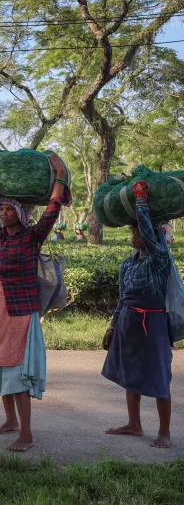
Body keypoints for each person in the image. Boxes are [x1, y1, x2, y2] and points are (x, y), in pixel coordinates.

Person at [0, 154, 68, 452]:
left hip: (20, 311)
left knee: (18, 372)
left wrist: (58, 174)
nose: (3, 213)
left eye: (8, 209)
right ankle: (10, 421)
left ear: (20, 214)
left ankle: (27, 433)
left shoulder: (33, 237)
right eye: (1, 209)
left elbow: (52, 210)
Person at [101, 180, 173, 448]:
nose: (133, 235)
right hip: (128, 322)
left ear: (153, 237)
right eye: (131, 231)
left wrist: (141, 202)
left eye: (138, 231)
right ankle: (134, 424)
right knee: (130, 372)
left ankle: (164, 431)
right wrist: (111, 326)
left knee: (158, 376)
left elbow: (148, 230)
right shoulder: (128, 264)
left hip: (153, 323)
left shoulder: (160, 259)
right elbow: (122, 299)